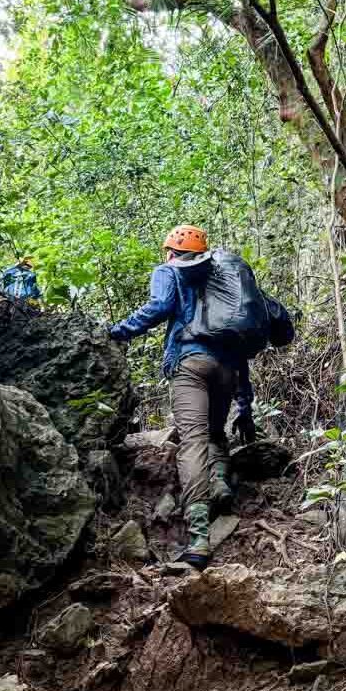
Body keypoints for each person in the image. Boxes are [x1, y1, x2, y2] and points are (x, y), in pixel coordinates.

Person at [109, 224, 257, 570]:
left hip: (190, 363)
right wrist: (245, 405)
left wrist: (118, 331)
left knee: (193, 441)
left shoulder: (169, 271)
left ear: (170, 252)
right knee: (216, 433)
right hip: (227, 369)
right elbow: (240, 344)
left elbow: (159, 306)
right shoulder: (225, 282)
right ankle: (219, 481)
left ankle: (200, 538)